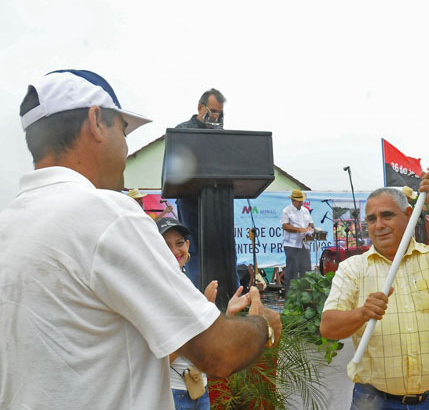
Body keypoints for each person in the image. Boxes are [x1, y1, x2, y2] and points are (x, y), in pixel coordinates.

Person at [0, 69, 280, 409]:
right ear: (96, 122)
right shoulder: (107, 215)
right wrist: (264, 324)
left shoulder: (9, 225)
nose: (126, 146)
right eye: (124, 129)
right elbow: (217, 352)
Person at [319, 166, 429, 410]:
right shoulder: (353, 268)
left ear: (409, 214)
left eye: (387, 215)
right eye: (372, 219)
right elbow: (328, 327)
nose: (379, 225)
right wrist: (362, 313)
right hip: (374, 401)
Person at [156, 217, 249, 410]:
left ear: (188, 245)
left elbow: (205, 340)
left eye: (179, 243)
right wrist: (200, 317)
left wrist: (227, 314)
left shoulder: (185, 281)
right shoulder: (157, 288)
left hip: (199, 387)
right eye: (165, 246)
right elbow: (164, 357)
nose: (175, 251)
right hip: (175, 392)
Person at [174, 87, 233, 290]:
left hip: (218, 201)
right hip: (190, 200)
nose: (217, 116)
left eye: (220, 112)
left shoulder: (221, 135)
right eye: (214, 111)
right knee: (195, 251)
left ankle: (225, 296)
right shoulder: (181, 130)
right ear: (200, 107)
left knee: (222, 248)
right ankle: (199, 297)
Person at [281, 188, 314, 291]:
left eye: (302, 201)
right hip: (292, 245)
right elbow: (285, 226)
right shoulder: (286, 211)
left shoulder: (305, 210)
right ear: (293, 201)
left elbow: (311, 223)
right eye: (299, 201)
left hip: (304, 244)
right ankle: (290, 296)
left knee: (306, 270)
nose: (301, 203)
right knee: (291, 272)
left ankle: (305, 295)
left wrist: (309, 228)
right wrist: (299, 230)